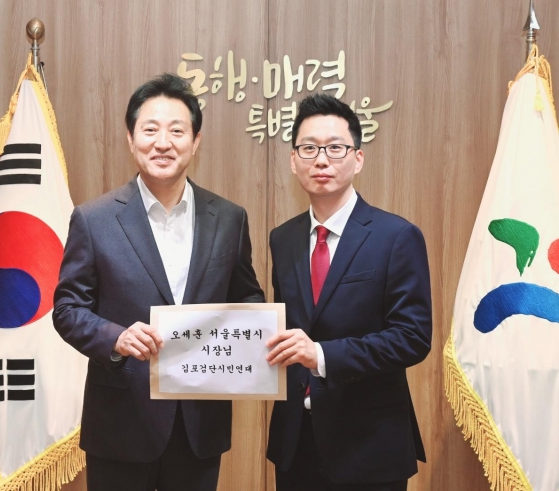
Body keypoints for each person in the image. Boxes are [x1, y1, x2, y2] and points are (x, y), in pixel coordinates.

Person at [53, 73, 264, 491]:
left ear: (196, 141)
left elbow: (248, 298)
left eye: (177, 131)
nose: (163, 143)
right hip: (121, 421)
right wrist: (115, 337)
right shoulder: (94, 220)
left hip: (199, 423)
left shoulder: (229, 219)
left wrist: (255, 334)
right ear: (131, 139)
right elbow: (67, 309)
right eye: (150, 130)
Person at [265, 93, 432, 491]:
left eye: (335, 148)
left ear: (358, 159)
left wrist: (322, 355)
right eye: (309, 148)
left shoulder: (397, 236)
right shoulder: (283, 239)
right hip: (296, 443)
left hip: (369, 445)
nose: (321, 160)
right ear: (293, 160)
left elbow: (412, 338)